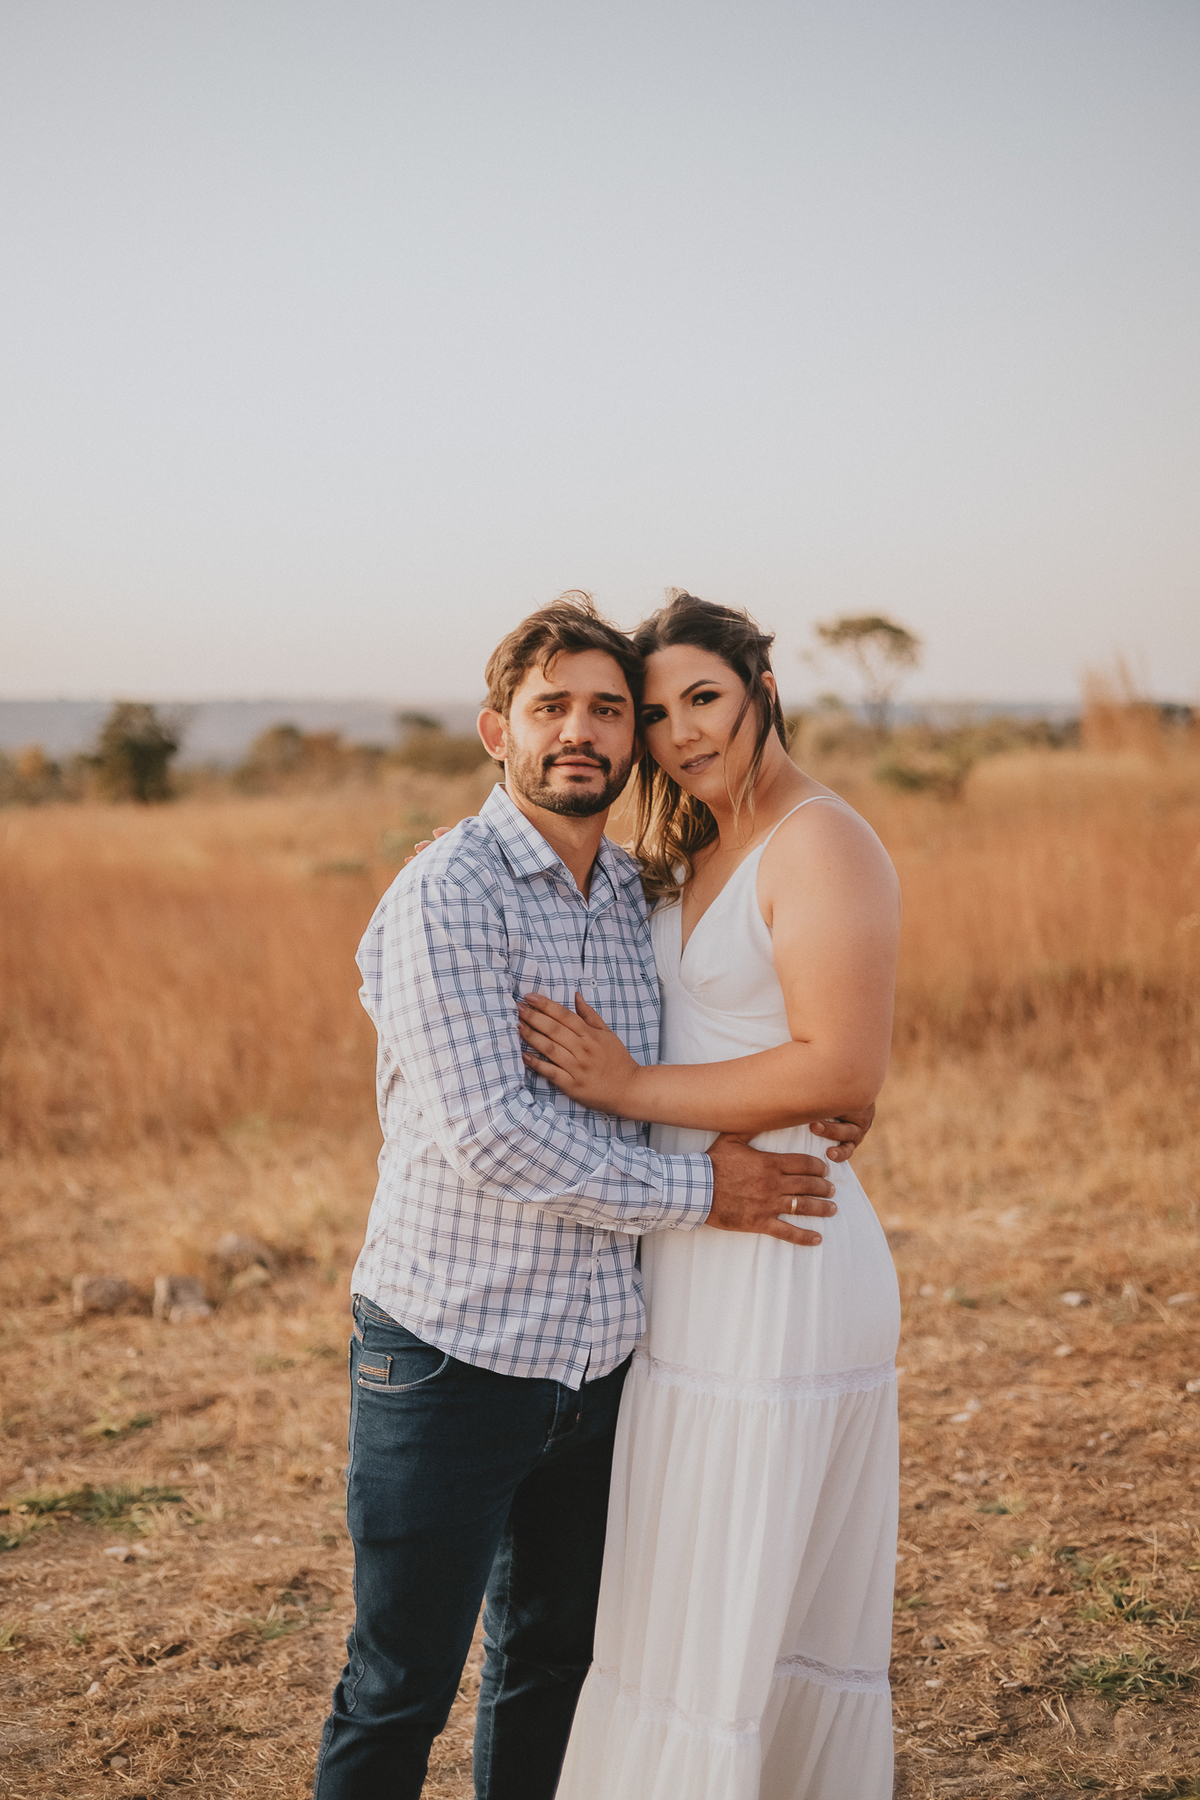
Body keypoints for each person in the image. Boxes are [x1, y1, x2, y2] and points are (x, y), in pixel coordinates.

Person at [312, 593, 872, 1800]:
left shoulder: (634, 891)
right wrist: (703, 1190)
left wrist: (832, 1091)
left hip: (604, 1358)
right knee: (399, 1682)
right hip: (453, 1352)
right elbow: (493, 1139)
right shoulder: (448, 892)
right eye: (551, 707)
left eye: (612, 711)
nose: (585, 730)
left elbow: (746, 1023)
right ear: (496, 731)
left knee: (552, 1663)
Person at [517, 592, 902, 1800]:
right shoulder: (692, 850)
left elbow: (840, 1065)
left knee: (745, 1580)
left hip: (784, 1246)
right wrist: (465, 852)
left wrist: (631, 1088)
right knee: (686, 1577)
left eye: (705, 699)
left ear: (761, 694)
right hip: (690, 1242)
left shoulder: (820, 840)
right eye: (655, 713)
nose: (680, 733)